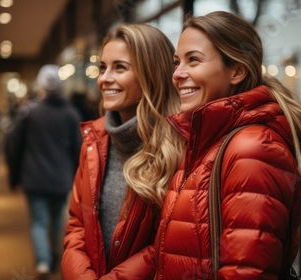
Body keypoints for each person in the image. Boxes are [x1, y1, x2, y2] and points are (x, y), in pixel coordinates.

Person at [124, 11, 301, 279]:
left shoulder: (252, 148)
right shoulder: (206, 142)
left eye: (193, 60)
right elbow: (167, 253)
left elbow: (247, 271)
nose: (178, 74)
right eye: (177, 62)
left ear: (237, 71)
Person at [61, 24, 183, 279]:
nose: (104, 79)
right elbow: (76, 225)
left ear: (151, 75)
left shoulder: (179, 147)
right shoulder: (94, 141)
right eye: (103, 68)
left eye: (120, 67)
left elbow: (169, 246)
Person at [4, 64, 83, 277]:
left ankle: (43, 261)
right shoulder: (71, 113)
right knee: (58, 217)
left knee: (38, 221)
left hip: (34, 177)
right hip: (61, 178)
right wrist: (78, 178)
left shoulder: (29, 112)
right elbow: (79, 149)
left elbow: (14, 146)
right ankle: (54, 251)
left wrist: (14, 177)